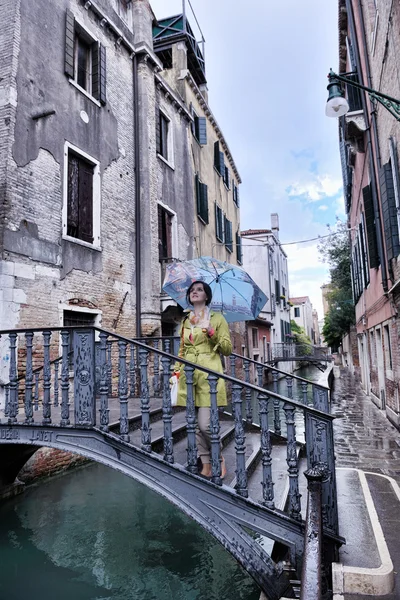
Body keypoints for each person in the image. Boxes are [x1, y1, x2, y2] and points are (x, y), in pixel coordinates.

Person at [173, 280, 232, 479]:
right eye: (192, 290)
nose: (194, 292)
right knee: (196, 425)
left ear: (206, 295)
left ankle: (219, 457)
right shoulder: (186, 320)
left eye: (199, 290)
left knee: (206, 424)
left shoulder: (217, 318)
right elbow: (182, 350)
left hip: (210, 375)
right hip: (189, 376)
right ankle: (206, 464)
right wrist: (176, 371)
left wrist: (211, 332)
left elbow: (227, 349)